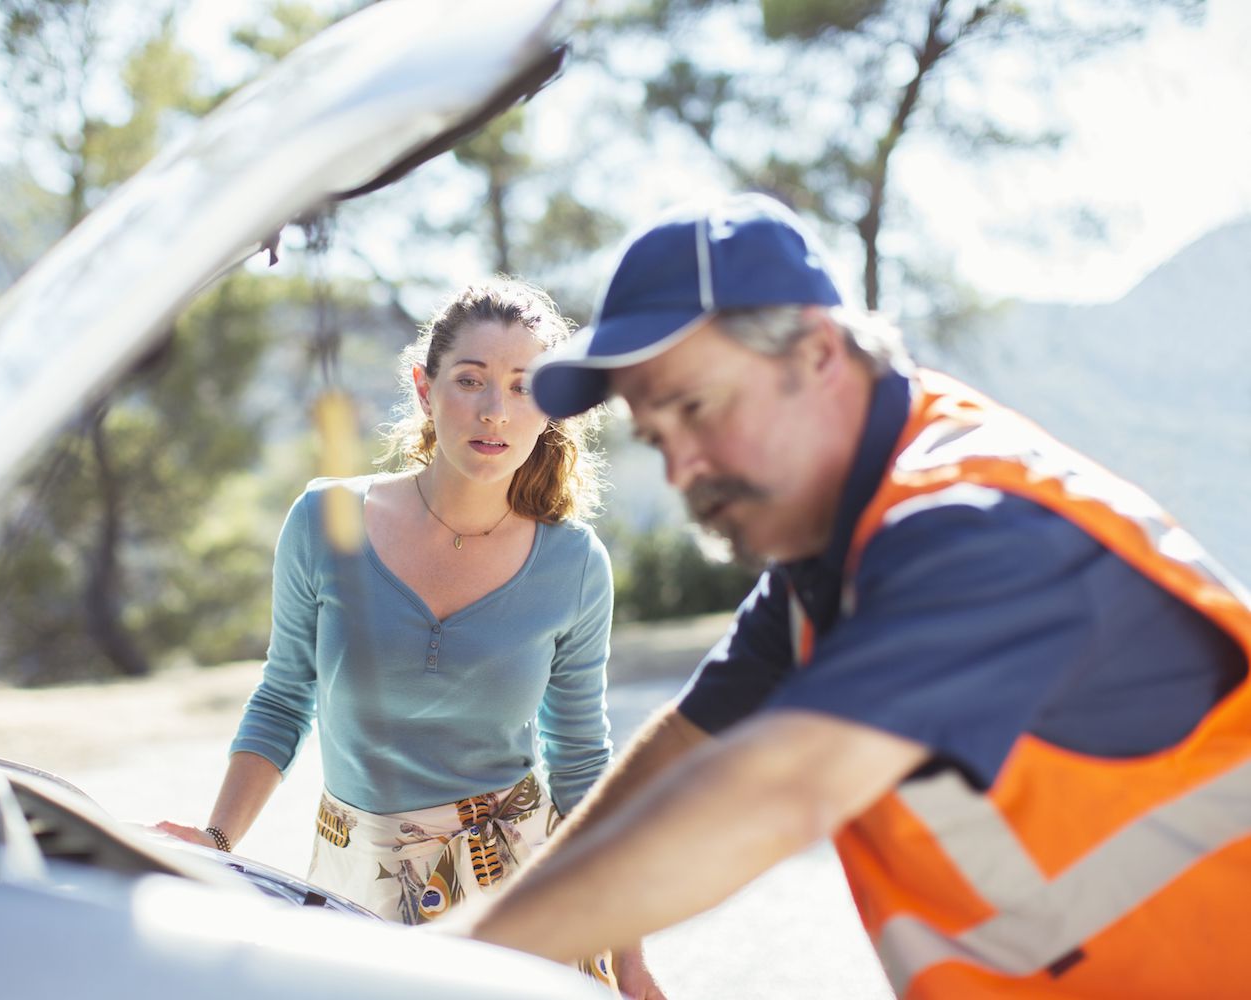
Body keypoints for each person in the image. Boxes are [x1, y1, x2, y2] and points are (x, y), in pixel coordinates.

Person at [442, 193, 1251, 999]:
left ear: (819, 354)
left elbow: (780, 787)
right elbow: (689, 753)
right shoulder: (828, 559)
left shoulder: (980, 531)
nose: (682, 468)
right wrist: (473, 956)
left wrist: (430, 982)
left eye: (696, 407)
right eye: (658, 436)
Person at [156, 278, 620, 989]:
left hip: (518, 891)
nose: (495, 411)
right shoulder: (323, 522)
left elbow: (581, 762)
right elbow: (285, 697)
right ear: (425, 388)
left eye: (524, 387)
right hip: (353, 880)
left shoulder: (575, 564)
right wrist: (217, 841)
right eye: (471, 380)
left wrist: (631, 939)